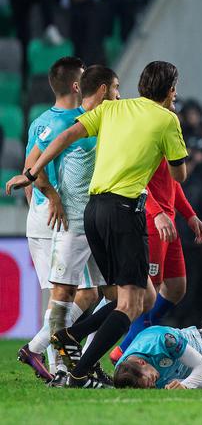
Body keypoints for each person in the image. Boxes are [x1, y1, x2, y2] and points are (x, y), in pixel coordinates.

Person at [6, 61, 188, 388]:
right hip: (121, 212)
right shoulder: (167, 119)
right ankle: (77, 369)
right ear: (170, 90)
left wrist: (32, 173)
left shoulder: (113, 111)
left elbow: (68, 134)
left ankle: (70, 336)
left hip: (94, 213)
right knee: (129, 302)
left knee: (135, 296)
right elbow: (179, 175)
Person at [16, 57, 100, 383]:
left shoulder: (40, 121)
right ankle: (59, 368)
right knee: (60, 295)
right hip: (56, 218)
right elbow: (32, 169)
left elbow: (28, 167)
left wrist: (37, 206)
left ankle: (41, 350)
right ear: (77, 85)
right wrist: (50, 200)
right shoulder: (69, 123)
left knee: (88, 294)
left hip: (54, 216)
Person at [110, 142, 202, 362]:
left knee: (176, 287)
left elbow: (171, 182)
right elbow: (137, 181)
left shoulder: (166, 132)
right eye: (172, 103)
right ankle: (130, 351)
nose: (173, 105)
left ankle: (129, 344)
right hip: (152, 222)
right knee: (147, 294)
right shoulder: (146, 133)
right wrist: (156, 213)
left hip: (168, 221)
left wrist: (189, 215)